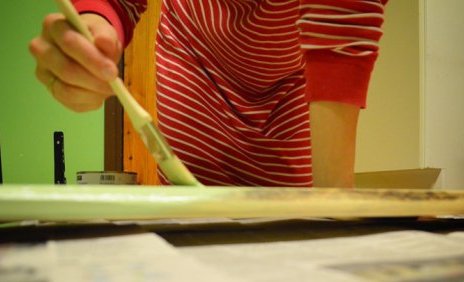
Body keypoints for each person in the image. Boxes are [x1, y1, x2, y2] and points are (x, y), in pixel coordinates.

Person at [30, 0, 387, 187]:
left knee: (289, 229)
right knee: (192, 231)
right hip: (193, 59)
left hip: (291, 86)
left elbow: (341, 28)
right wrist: (94, 25)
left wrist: (335, 206)